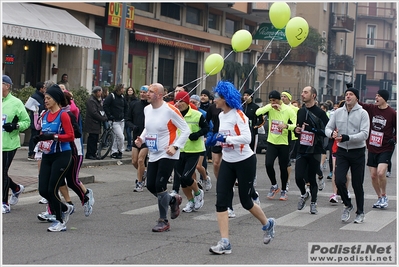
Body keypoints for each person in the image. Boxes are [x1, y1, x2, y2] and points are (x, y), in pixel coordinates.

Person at [207, 81, 275, 255]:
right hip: (228, 162)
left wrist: (226, 140)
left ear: (225, 98)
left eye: (216, 97)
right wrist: (215, 137)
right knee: (221, 200)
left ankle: (268, 224)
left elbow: (247, 138)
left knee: (245, 201)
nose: (214, 100)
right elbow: (222, 135)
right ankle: (225, 242)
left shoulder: (239, 115)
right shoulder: (221, 116)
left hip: (245, 161)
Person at [134, 82, 190, 232]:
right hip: (154, 152)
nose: (147, 93)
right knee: (151, 185)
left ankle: (163, 220)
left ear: (159, 95)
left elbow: (186, 130)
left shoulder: (170, 110)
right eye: (147, 91)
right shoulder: (147, 109)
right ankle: (173, 199)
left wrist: (175, 146)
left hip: (168, 153)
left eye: (151, 91)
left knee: (160, 185)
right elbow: (148, 127)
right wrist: (142, 139)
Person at [33, 84, 75, 231]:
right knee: (43, 190)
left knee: (52, 189)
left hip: (62, 155)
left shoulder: (63, 115)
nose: (46, 101)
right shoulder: (45, 114)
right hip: (47, 155)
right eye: (45, 98)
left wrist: (54, 136)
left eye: (49, 98)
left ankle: (60, 221)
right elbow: (43, 132)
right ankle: (64, 208)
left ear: (56, 99)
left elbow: (70, 136)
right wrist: (38, 139)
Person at [325, 87, 370, 223]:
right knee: (339, 180)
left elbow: (364, 134)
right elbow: (327, 128)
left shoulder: (363, 113)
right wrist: (331, 134)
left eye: (351, 94)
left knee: (357, 184)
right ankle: (348, 204)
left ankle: (360, 212)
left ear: (356, 97)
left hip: (358, 152)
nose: (348, 96)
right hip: (342, 151)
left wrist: (347, 137)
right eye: (346, 94)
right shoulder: (338, 112)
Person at [293, 86, 329, 214]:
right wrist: (296, 130)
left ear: (313, 95)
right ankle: (304, 194)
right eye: (302, 92)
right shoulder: (300, 111)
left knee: (311, 178)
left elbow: (327, 132)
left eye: (305, 92)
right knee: (298, 177)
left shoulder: (320, 113)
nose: (302, 94)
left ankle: (314, 202)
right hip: (302, 148)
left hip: (315, 149)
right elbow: (298, 128)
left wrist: (312, 130)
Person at [255, 90, 297, 201]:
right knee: (268, 164)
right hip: (272, 141)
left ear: (279, 100)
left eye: (274, 100)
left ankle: (283, 189)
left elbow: (295, 125)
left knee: (283, 167)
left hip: (284, 143)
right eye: (271, 101)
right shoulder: (270, 108)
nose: (273, 102)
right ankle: (274, 185)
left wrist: (286, 126)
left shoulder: (288, 110)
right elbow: (257, 112)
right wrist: (270, 106)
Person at [359, 89, 396, 209]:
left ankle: (384, 195)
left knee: (380, 173)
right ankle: (379, 197)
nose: (376, 98)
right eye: (376, 96)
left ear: (384, 98)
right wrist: (351, 91)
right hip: (372, 146)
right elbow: (360, 104)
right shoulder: (372, 108)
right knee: (373, 175)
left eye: (379, 96)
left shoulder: (392, 113)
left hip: (386, 147)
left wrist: (394, 138)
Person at [173, 91, 208, 213]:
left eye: (181, 101)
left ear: (187, 102)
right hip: (179, 150)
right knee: (181, 179)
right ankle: (191, 201)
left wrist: (197, 134)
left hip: (194, 150)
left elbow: (206, 128)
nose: (178, 104)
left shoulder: (197, 115)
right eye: (176, 101)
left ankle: (198, 193)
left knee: (186, 176)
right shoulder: (174, 114)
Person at [2, 75, 31, 214]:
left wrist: (15, 126)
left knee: (2, 173)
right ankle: (16, 188)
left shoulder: (16, 102)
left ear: (7, 86)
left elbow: (27, 121)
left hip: (9, 144)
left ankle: (4, 203)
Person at [125, 85, 150, 192]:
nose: (143, 94)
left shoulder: (152, 106)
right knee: (134, 161)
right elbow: (127, 119)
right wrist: (132, 126)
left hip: (148, 137)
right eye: (141, 92)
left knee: (141, 160)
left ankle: (139, 183)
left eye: (145, 92)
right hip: (136, 136)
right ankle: (144, 172)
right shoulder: (134, 104)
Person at [190, 94, 212, 191]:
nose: (192, 104)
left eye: (194, 102)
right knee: (192, 168)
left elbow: (210, 128)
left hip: (201, 143)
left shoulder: (203, 114)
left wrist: (206, 138)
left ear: (198, 104)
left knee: (199, 166)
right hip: (190, 144)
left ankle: (205, 178)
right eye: (190, 102)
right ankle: (195, 187)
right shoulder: (186, 114)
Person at [103, 84, 128, 159]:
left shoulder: (122, 97)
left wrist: (125, 116)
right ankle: (120, 150)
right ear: (120, 89)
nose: (124, 90)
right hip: (114, 120)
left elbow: (126, 107)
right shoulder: (112, 96)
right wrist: (109, 115)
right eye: (123, 88)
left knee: (117, 137)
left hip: (121, 120)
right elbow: (105, 105)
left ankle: (115, 152)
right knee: (120, 136)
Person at [281, 91, 299, 191]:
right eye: (281, 96)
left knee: (286, 160)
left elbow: (297, 122)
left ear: (289, 98)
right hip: (279, 137)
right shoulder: (277, 108)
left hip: (291, 137)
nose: (282, 98)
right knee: (281, 161)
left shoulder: (295, 109)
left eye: (285, 96)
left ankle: (287, 181)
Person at [84, 86, 108, 160]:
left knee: (95, 139)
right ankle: (90, 154)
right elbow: (94, 112)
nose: (101, 93)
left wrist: (104, 117)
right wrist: (102, 118)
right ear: (97, 92)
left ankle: (93, 153)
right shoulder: (91, 101)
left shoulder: (97, 100)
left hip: (96, 123)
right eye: (100, 91)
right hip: (92, 123)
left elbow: (101, 110)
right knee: (92, 138)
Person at [27, 82, 46, 160]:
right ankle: (31, 153)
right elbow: (31, 107)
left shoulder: (42, 96)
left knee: (37, 136)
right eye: (44, 87)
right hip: (35, 120)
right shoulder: (35, 97)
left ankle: (35, 152)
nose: (45, 89)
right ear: (40, 88)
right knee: (34, 137)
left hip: (39, 120)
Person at [124, 86, 137, 151]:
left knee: (130, 132)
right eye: (129, 90)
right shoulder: (124, 99)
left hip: (132, 118)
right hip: (126, 117)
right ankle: (129, 145)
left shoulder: (135, 100)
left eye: (131, 90)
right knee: (127, 132)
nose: (130, 91)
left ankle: (131, 145)